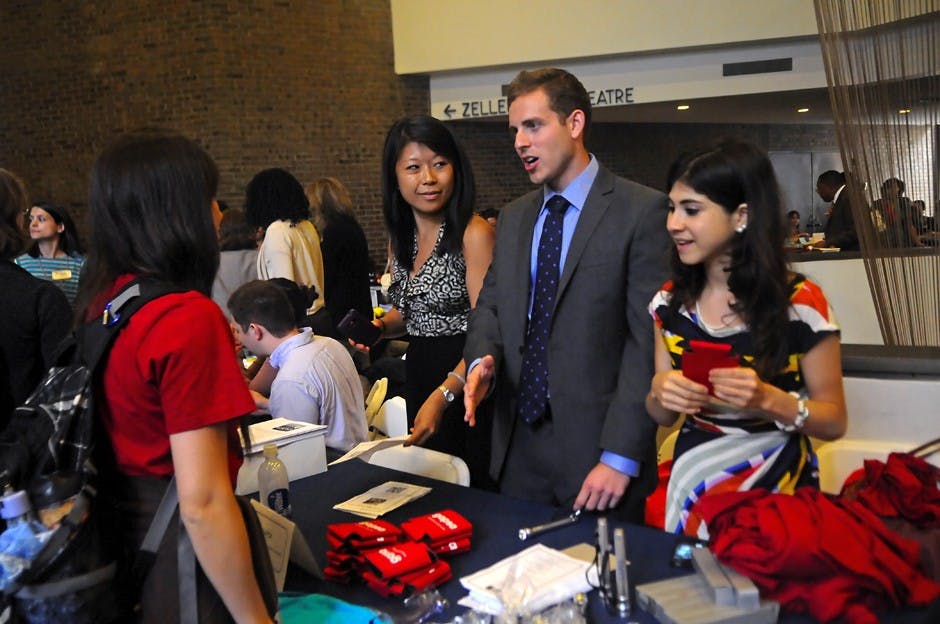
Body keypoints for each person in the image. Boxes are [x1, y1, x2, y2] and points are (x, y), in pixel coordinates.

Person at [76, 129, 274, 623]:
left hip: (117, 555)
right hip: (179, 566)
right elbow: (202, 502)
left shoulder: (107, 303)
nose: (217, 215)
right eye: (208, 200)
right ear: (175, 212)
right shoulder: (185, 318)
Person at [463, 68, 671, 520]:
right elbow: (491, 307)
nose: (520, 141)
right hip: (517, 452)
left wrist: (620, 457)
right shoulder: (515, 218)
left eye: (533, 126)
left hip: (600, 456)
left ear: (574, 124)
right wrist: (483, 358)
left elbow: (646, 343)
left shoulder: (642, 212)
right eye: (514, 130)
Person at [645, 140, 847, 537]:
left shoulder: (801, 304)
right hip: (693, 491)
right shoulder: (669, 305)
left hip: (777, 494)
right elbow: (663, 415)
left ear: (742, 215)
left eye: (691, 210)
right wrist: (659, 391)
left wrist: (768, 400)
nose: (673, 224)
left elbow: (834, 420)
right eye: (671, 208)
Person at [354, 114, 495, 488]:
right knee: (429, 488)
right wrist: (383, 326)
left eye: (439, 164)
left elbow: (489, 329)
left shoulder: (473, 232)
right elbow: (416, 310)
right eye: (413, 167)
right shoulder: (401, 239)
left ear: (456, 170)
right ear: (395, 177)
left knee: (468, 486)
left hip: (467, 380)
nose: (428, 179)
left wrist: (446, 394)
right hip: (420, 370)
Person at [228, 279, 368, 454]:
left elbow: (297, 455)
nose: (238, 338)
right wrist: (270, 405)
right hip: (360, 453)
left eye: (237, 331)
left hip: (333, 467)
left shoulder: (291, 378)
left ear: (255, 330)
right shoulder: (330, 344)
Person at [0, 170, 71, 430]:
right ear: (15, 220)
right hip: (17, 454)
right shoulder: (41, 299)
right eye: (27, 214)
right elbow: (62, 398)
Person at [244, 167, 330, 334]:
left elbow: (283, 290)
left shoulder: (277, 231)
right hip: (319, 317)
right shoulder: (307, 226)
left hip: (296, 325)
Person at [305, 177, 373, 339]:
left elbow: (327, 276)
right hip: (357, 310)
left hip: (342, 317)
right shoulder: (351, 227)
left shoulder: (334, 232)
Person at [15, 201, 85, 304]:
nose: (33, 224)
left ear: (60, 227)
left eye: (41, 219)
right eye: (31, 219)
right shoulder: (21, 264)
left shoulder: (80, 264)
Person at [211, 208, 260, 313]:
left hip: (222, 321)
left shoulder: (212, 262)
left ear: (221, 232)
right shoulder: (259, 258)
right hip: (255, 322)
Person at [871, 177, 920, 247]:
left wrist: (918, 242)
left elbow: (909, 225)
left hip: (904, 241)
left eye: (894, 187)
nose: (891, 190)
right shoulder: (877, 204)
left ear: (899, 189)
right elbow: (879, 227)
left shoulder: (903, 203)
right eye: (888, 187)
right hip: (886, 241)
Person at [816, 170, 859, 251]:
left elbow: (856, 231)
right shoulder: (843, 197)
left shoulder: (848, 198)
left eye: (820, 188)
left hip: (851, 254)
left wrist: (828, 242)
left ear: (830, 186)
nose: (819, 193)